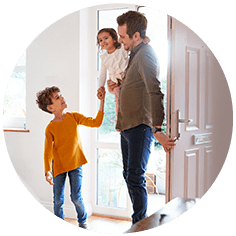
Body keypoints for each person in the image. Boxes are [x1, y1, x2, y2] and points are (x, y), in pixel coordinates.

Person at [97, 11, 176, 224]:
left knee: (135, 177)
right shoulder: (135, 53)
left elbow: (154, 91)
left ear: (137, 36)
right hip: (127, 127)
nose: (120, 41)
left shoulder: (146, 54)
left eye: (122, 37)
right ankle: (139, 221)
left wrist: (157, 129)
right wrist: (117, 87)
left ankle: (139, 224)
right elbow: (133, 86)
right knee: (129, 175)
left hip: (140, 127)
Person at [36, 86, 105, 229]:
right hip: (59, 167)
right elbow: (47, 151)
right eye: (57, 97)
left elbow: (95, 123)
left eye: (60, 95)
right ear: (50, 108)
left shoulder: (74, 117)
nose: (61, 97)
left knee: (76, 197)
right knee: (58, 200)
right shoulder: (50, 128)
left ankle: (83, 221)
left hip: (75, 164)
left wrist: (102, 102)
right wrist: (47, 170)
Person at [97, 28, 150, 116]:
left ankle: (134, 114)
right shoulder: (104, 57)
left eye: (106, 38)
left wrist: (143, 40)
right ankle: (119, 118)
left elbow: (133, 46)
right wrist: (101, 87)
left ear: (114, 39)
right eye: (100, 40)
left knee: (131, 99)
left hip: (128, 79)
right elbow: (102, 74)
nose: (103, 42)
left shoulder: (122, 49)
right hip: (116, 82)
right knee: (118, 99)